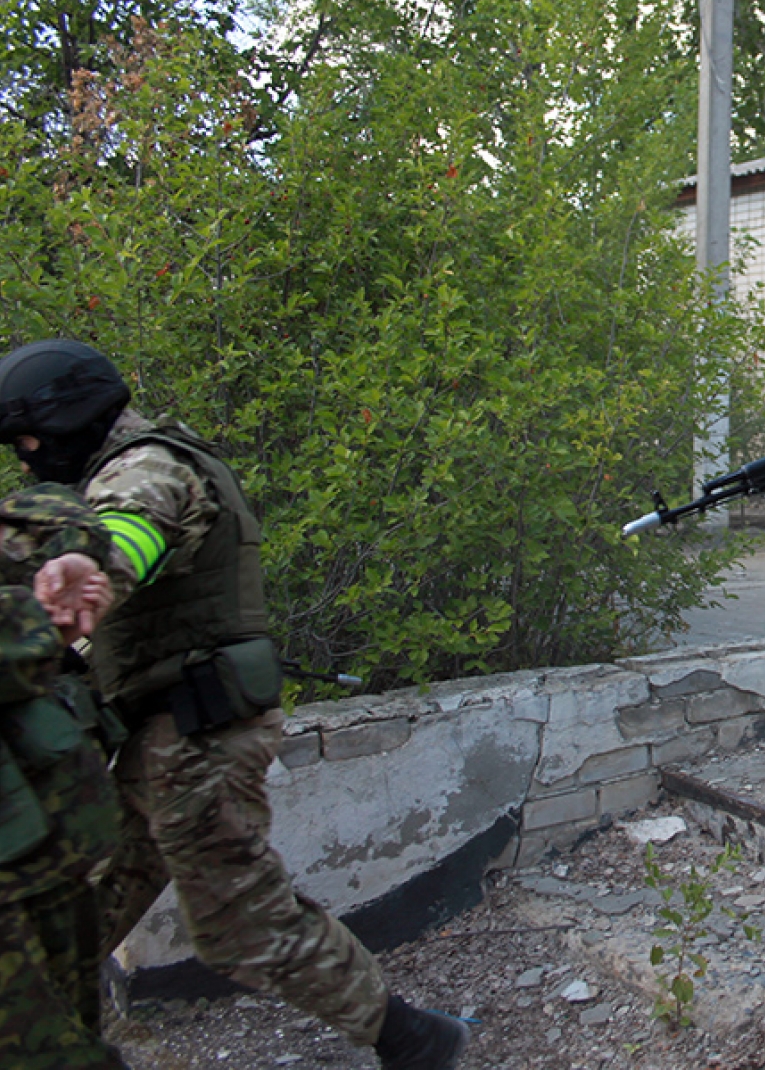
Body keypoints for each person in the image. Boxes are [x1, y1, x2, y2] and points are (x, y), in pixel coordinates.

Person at [0, 339, 469, 1070]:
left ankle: (415, 1040)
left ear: (67, 420)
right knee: (74, 907)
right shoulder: (119, 466)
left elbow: (134, 528)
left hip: (198, 736)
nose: (27, 459)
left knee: (239, 920)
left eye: (29, 441)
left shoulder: (149, 467)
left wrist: (89, 570)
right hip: (163, 735)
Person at [0, 482, 127, 1067]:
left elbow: (51, 511)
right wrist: (37, 623)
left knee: (77, 1029)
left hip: (45, 860)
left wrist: (73, 558)